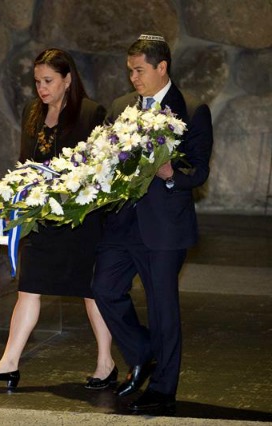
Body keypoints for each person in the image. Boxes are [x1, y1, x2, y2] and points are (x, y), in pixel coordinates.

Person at [0, 48, 117, 391]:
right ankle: (8, 363)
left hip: (79, 218)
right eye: (37, 81)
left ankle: (105, 362)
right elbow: (24, 164)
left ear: (68, 80)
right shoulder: (32, 112)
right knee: (29, 287)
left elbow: (100, 169)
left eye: (48, 81)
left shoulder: (92, 113)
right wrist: (8, 205)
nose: (41, 88)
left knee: (90, 291)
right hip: (40, 215)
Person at [91, 32, 213, 413]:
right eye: (129, 71)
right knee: (103, 289)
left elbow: (199, 170)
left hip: (164, 227)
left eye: (139, 70)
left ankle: (163, 388)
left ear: (162, 68)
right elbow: (104, 156)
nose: (133, 78)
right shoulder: (121, 106)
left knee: (163, 308)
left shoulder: (192, 109)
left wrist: (169, 171)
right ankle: (144, 352)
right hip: (123, 223)